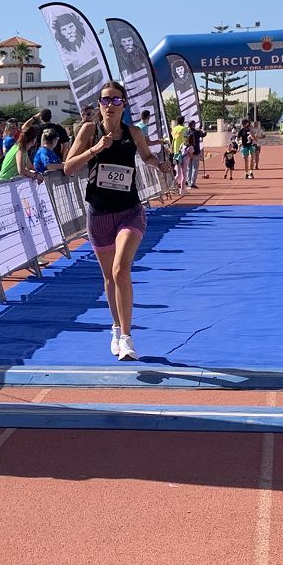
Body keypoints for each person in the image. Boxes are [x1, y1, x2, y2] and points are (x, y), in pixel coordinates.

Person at [64, 81, 169, 361]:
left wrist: (159, 164)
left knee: (122, 270)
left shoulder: (133, 132)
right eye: (105, 100)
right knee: (110, 278)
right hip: (98, 214)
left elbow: (146, 155)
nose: (110, 105)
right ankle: (114, 327)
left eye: (116, 100)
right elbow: (69, 167)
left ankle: (126, 336)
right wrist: (95, 149)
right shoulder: (89, 131)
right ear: (99, 105)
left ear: (124, 105)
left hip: (129, 211)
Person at [186, 120, 206, 188]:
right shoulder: (197, 132)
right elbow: (204, 134)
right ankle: (192, 183)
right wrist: (203, 130)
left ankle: (188, 182)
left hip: (188, 152)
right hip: (196, 151)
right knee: (195, 168)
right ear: (193, 125)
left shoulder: (186, 132)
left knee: (189, 168)